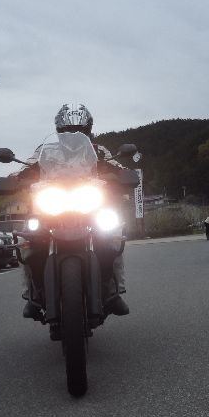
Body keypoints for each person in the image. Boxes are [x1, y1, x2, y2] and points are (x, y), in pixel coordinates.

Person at [20, 103, 132, 320]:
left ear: (89, 130)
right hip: (51, 207)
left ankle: (113, 291)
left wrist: (126, 175)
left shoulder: (99, 150)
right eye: (67, 130)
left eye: (80, 130)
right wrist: (13, 179)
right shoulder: (45, 150)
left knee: (113, 234)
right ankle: (32, 293)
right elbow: (26, 167)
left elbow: (118, 167)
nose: (73, 135)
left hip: (89, 205)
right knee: (28, 238)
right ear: (58, 131)